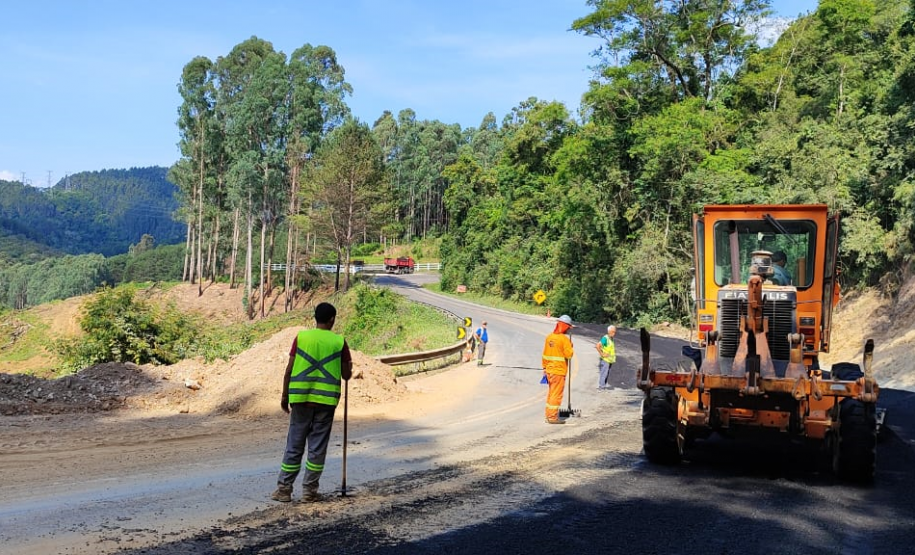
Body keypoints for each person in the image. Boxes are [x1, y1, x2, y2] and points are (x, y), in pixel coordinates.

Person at [271, 302, 353, 503]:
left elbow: (289, 369)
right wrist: (348, 366)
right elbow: (346, 374)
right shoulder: (339, 341)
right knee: (317, 447)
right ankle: (309, 492)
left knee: (294, 444)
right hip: (325, 402)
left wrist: (284, 395)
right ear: (332, 319)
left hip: (300, 399)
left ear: (315, 317)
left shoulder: (301, 337)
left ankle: (283, 490)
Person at [542, 314, 575, 424]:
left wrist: (544, 368)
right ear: (565, 326)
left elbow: (545, 355)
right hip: (558, 371)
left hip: (549, 370)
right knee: (556, 394)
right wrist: (570, 346)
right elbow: (569, 355)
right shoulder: (564, 340)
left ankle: (548, 415)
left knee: (551, 393)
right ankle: (552, 417)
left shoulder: (549, 337)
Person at [595, 325, 616, 390]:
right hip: (605, 359)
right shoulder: (605, 338)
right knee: (604, 373)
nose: (614, 333)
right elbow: (598, 346)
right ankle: (601, 387)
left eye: (615, 332)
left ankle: (603, 386)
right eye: (613, 332)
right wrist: (602, 354)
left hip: (609, 360)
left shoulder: (611, 339)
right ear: (609, 331)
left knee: (606, 373)